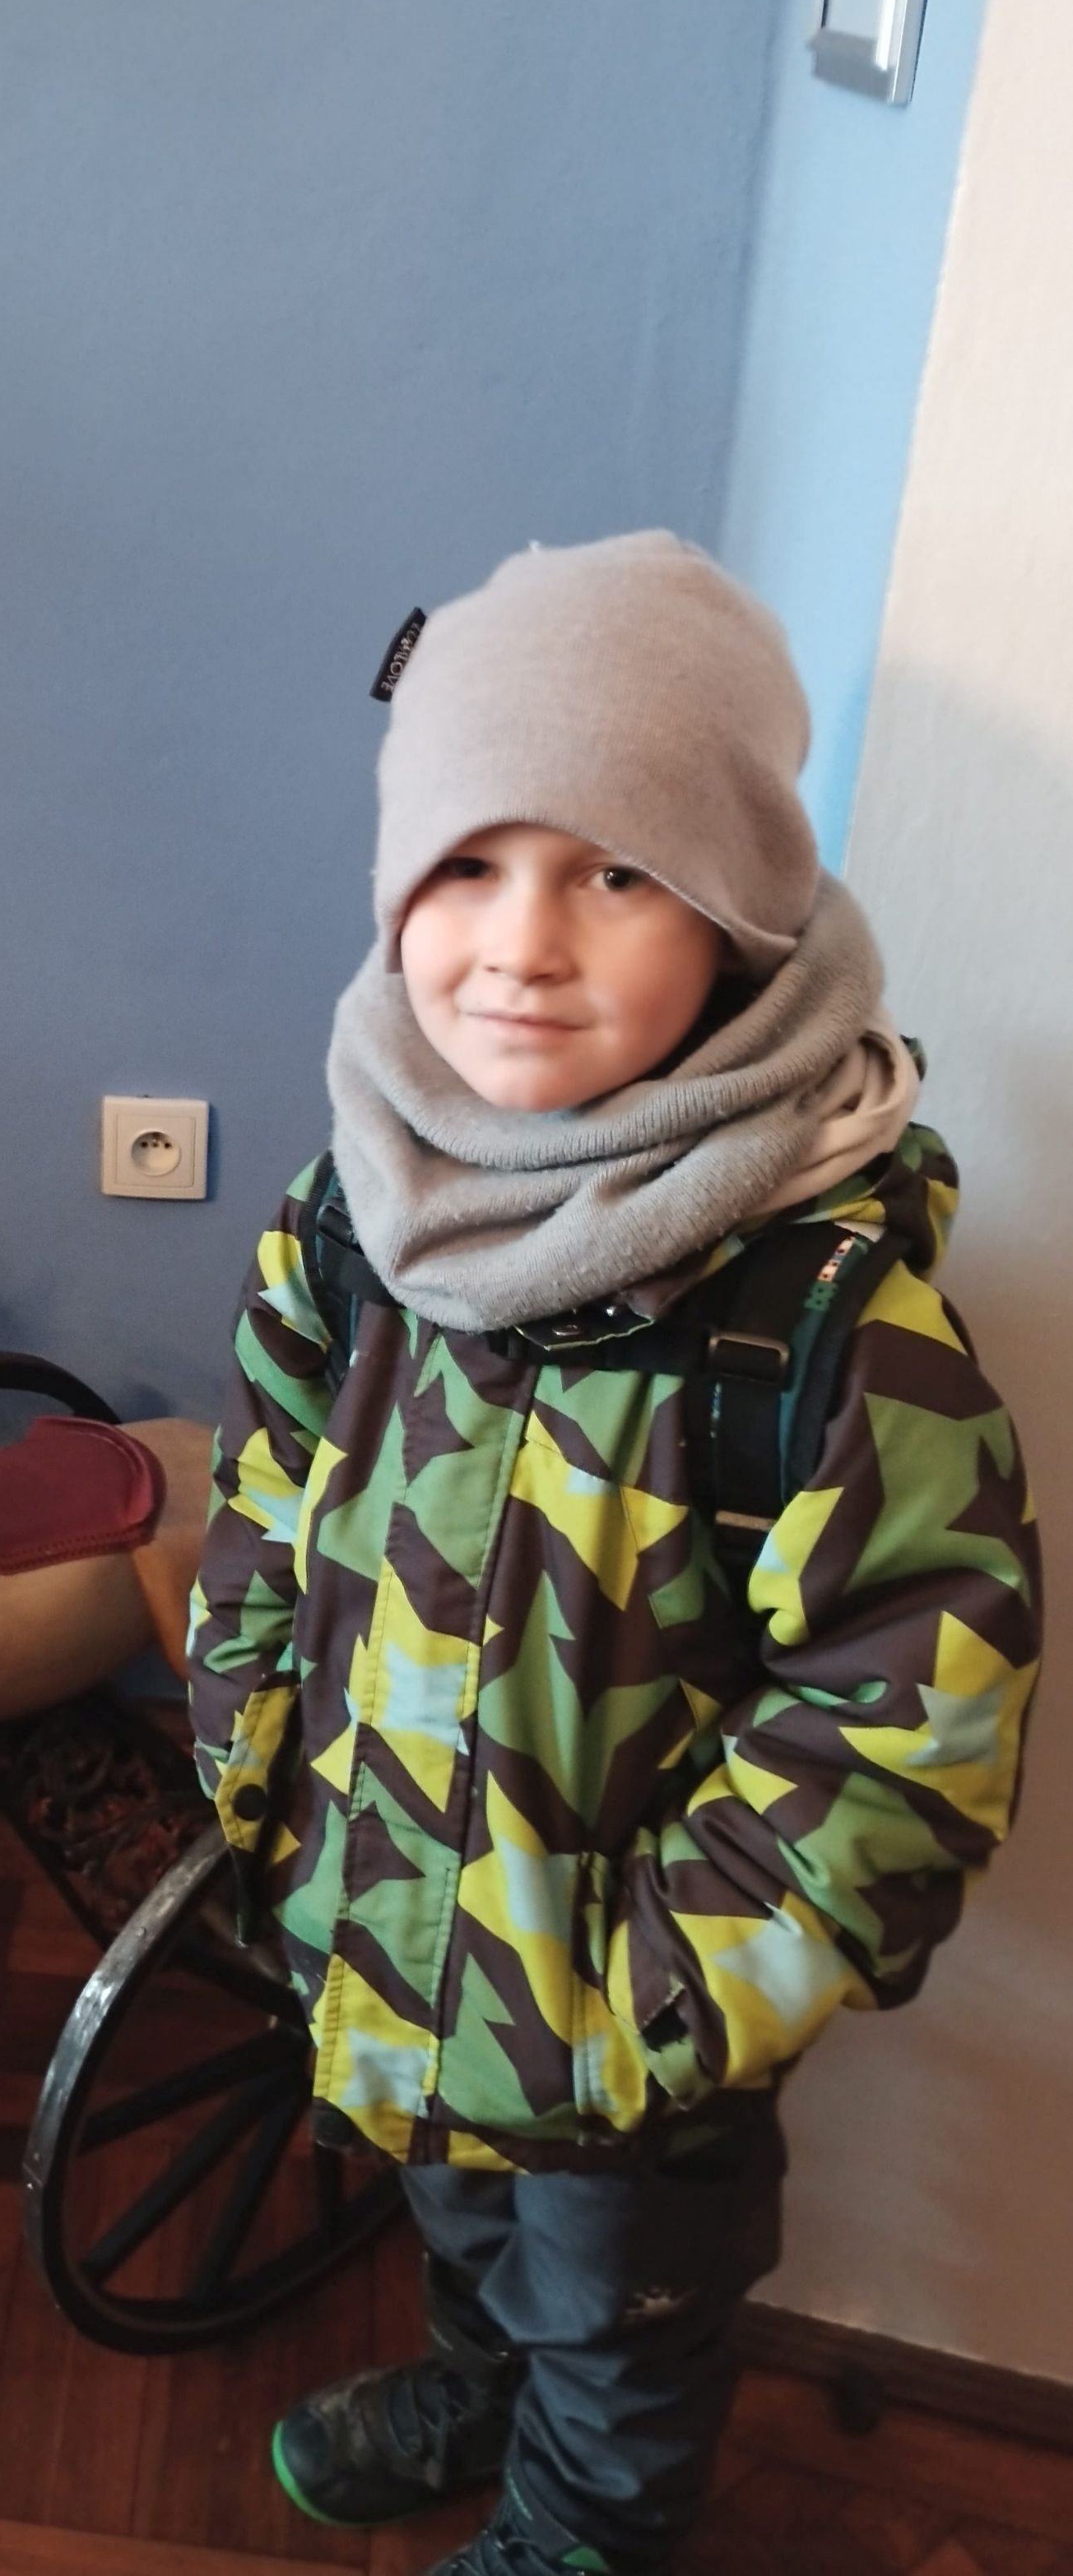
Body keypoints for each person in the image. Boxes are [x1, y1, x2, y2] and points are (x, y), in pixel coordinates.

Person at [186, 530, 1042, 2576]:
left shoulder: (818, 1322)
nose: (518, 944)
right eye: (465, 863)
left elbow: (903, 1718)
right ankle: (477, 2384)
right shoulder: (354, 1211)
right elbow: (263, 1490)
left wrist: (645, 1996)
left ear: (736, 917)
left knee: (621, 2320)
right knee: (457, 2212)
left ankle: (579, 2535)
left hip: (626, 2025)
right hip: (387, 1917)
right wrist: (259, 1767)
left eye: (614, 872)